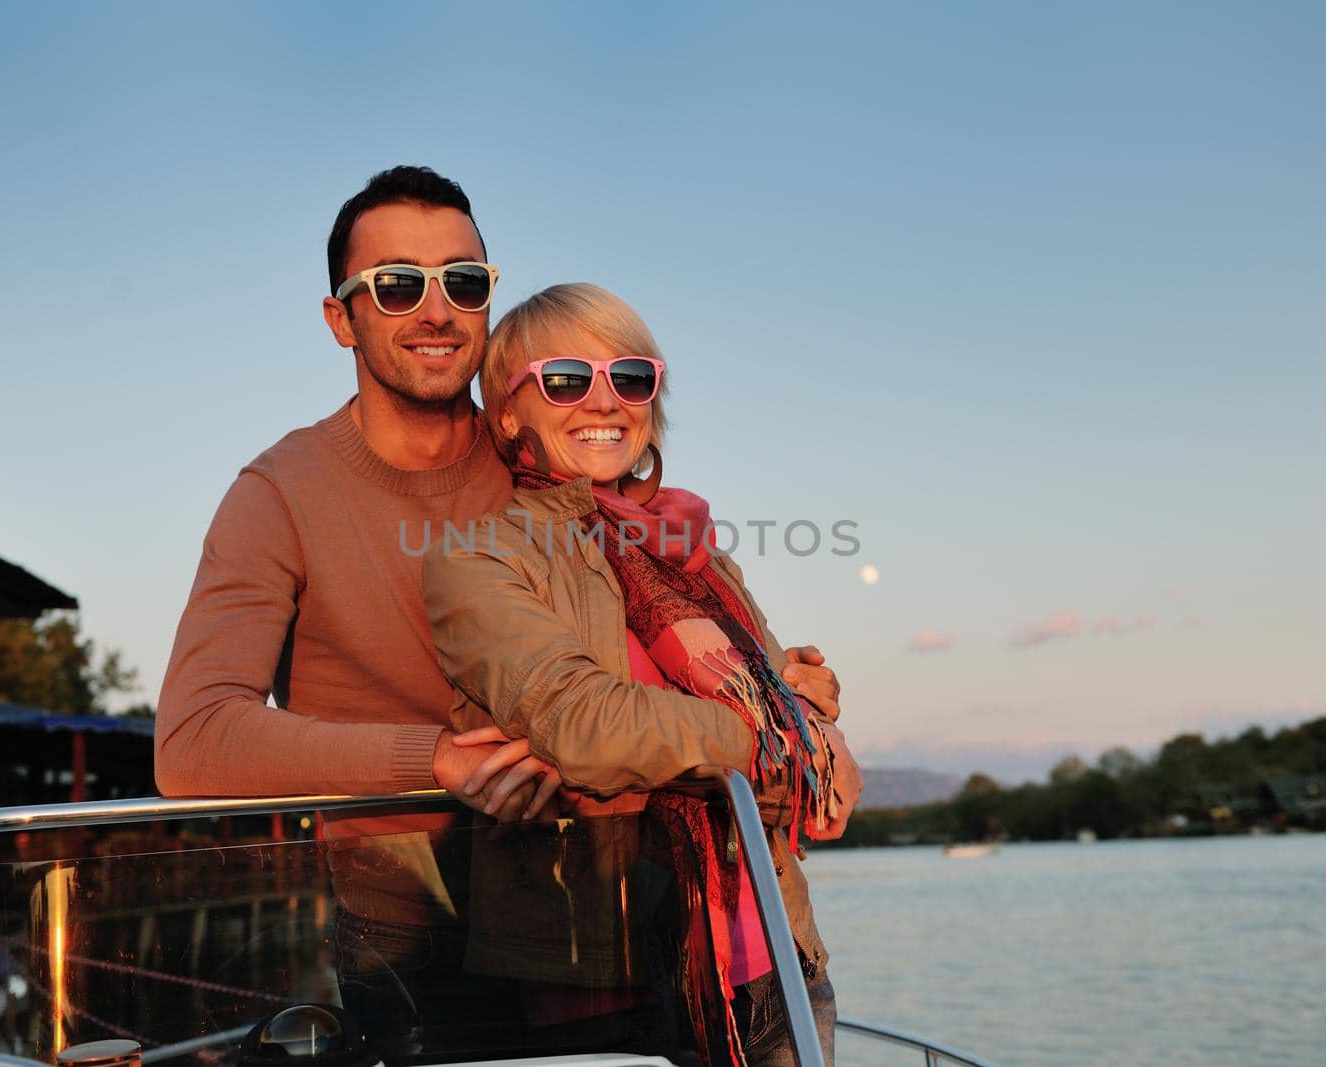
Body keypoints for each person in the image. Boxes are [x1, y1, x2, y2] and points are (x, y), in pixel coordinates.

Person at [154, 166, 849, 1058]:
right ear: (341, 318)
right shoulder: (278, 493)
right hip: (415, 925)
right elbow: (194, 738)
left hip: (613, 905)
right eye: (397, 285)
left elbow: (662, 620)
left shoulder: (548, 434)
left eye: (464, 281)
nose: (436, 309)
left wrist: (781, 682)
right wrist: (433, 761)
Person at [422, 283, 864, 1066]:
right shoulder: (480, 556)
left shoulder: (700, 556)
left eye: (630, 377)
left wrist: (803, 713)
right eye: (565, 378)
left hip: (777, 964)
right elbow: (584, 724)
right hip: (602, 988)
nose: (605, 399)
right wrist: (782, 728)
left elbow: (791, 746)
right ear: (509, 411)